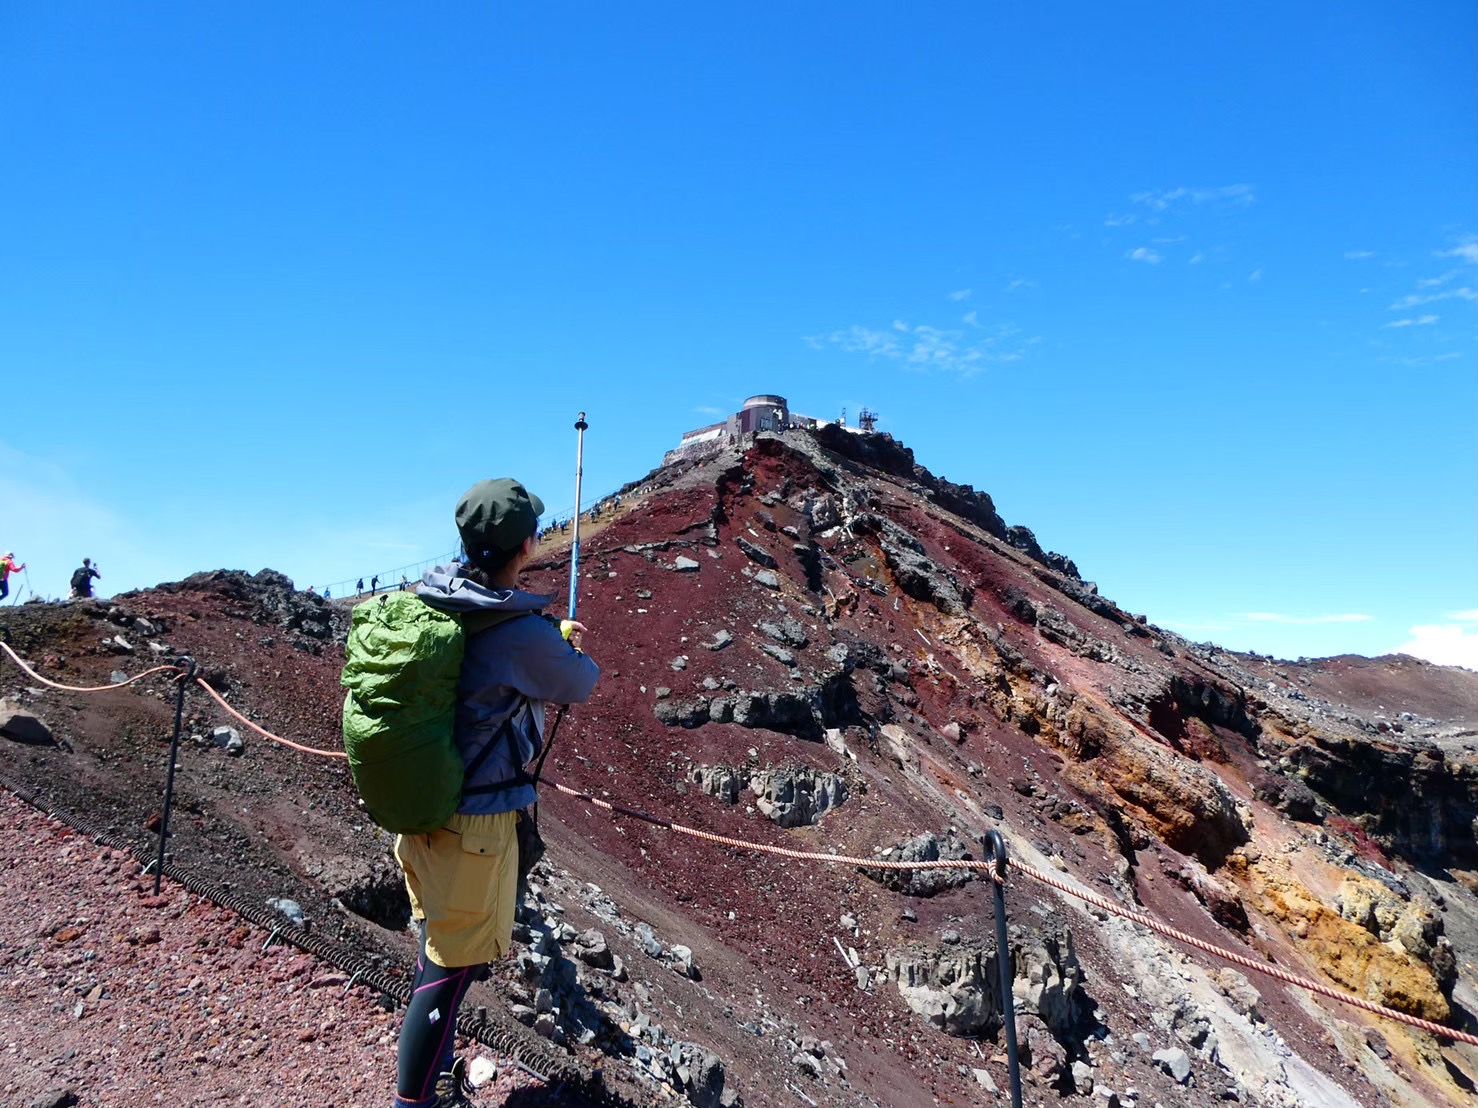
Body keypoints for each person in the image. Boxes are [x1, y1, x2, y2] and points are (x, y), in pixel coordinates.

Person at [388, 478, 599, 1108]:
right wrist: (562, 642)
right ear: (527, 544)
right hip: (474, 826)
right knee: (448, 975)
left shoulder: (438, 602)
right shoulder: (518, 632)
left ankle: (431, 1084)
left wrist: (545, 635)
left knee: (436, 952)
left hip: (423, 807)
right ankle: (414, 1104)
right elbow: (580, 681)